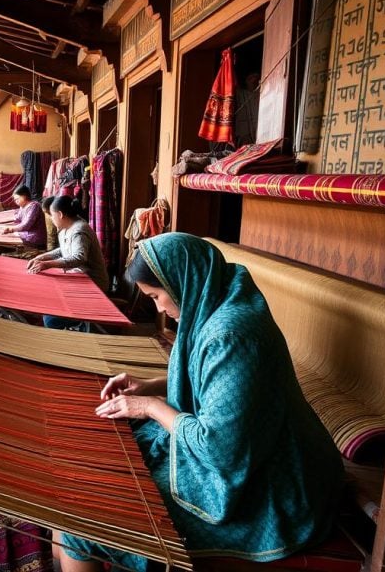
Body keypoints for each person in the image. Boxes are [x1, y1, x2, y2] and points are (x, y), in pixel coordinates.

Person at [57, 233, 343, 572]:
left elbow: (219, 448)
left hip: (272, 492)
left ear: (181, 280)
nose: (159, 308)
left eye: (157, 296)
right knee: (68, 492)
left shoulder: (231, 337)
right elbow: (215, 383)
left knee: (80, 524)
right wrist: (148, 386)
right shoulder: (215, 301)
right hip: (257, 462)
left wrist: (150, 407)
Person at [26, 195, 109, 330]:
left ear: (60, 214)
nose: (51, 219)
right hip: (79, 278)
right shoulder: (66, 229)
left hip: (93, 284)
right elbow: (62, 251)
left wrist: (48, 264)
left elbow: (79, 257)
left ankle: (77, 334)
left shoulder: (79, 230)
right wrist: (41, 258)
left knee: (51, 319)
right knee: (46, 296)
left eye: (52, 216)